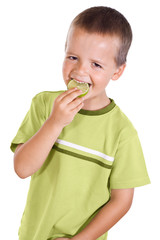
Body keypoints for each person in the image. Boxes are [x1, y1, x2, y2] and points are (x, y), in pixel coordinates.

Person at [10, 6, 150, 240]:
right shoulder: (44, 104)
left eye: (96, 64)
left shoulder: (122, 132)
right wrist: (55, 123)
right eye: (73, 57)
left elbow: (122, 201)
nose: (80, 71)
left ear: (117, 71)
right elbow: (22, 169)